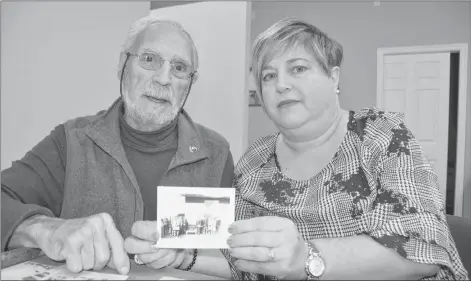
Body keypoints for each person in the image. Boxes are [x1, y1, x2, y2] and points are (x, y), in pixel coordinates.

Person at [221, 18, 469, 280]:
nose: (281, 84)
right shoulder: (254, 160)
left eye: (298, 69)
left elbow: (424, 250)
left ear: (333, 76)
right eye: (269, 76)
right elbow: (236, 257)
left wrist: (306, 258)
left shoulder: (381, 135)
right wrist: (187, 257)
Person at [1, 16, 234, 276]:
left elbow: (230, 259)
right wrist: (45, 229)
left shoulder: (217, 155)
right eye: (149, 59)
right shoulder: (71, 142)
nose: (164, 79)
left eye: (180, 68)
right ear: (123, 63)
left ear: (190, 81)